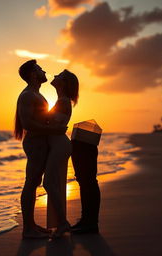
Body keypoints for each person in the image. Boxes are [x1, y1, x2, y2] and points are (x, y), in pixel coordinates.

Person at [14, 59, 66, 239]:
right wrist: (54, 130)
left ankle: (31, 225)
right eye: (39, 69)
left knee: (34, 182)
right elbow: (27, 123)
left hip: (40, 143)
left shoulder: (36, 94)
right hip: (35, 144)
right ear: (32, 74)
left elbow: (42, 119)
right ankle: (27, 229)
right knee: (31, 183)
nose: (44, 71)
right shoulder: (28, 95)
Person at [43, 70, 79, 238]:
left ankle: (63, 223)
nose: (54, 76)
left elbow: (53, 126)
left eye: (59, 75)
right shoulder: (61, 101)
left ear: (63, 83)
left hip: (60, 145)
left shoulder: (63, 102)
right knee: (53, 184)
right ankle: (60, 223)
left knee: (49, 183)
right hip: (58, 145)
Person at [70, 140, 100, 234]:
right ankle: (87, 220)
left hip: (84, 138)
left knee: (87, 179)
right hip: (83, 138)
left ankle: (90, 222)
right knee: (85, 180)